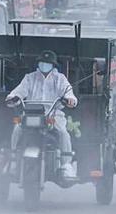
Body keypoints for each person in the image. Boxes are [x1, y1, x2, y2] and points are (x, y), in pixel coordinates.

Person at [5, 50, 78, 179]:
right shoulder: (30, 77)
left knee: (63, 133)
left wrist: (70, 99)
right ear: (38, 63)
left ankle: (66, 165)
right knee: (17, 129)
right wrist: (12, 97)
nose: (45, 65)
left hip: (53, 115)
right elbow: (19, 91)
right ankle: (14, 161)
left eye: (48, 63)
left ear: (53, 65)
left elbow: (68, 92)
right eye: (43, 62)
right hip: (31, 114)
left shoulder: (60, 79)